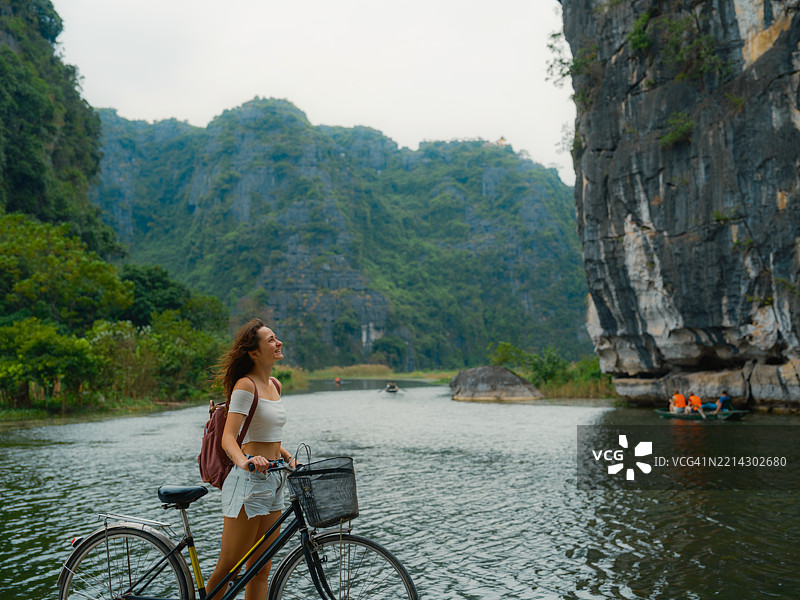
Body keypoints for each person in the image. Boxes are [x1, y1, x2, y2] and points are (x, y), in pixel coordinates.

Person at [205, 318, 298, 600]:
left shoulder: (274, 385)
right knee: (229, 569)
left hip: (274, 480)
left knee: (260, 570)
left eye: (276, 337)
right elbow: (229, 438)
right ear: (254, 352)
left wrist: (287, 456)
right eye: (270, 339)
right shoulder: (245, 386)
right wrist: (245, 461)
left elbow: (266, 435)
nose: (277, 342)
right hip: (248, 481)